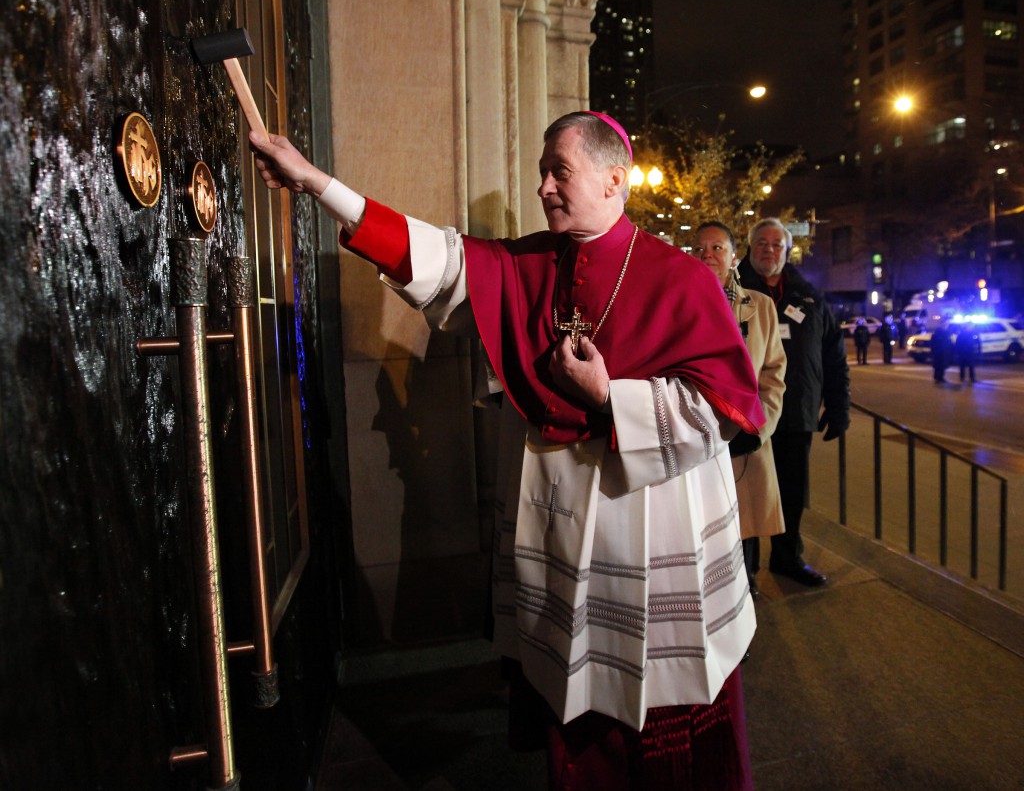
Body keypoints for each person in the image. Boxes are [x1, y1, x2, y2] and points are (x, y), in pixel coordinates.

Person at [249, 112, 765, 790]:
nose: (545, 186)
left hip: (644, 545)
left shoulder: (683, 280)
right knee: (570, 720)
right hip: (558, 543)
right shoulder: (528, 263)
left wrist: (610, 396)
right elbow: (429, 254)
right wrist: (319, 184)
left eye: (561, 171)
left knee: (657, 735)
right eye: (542, 172)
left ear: (616, 179)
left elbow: (727, 410)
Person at [738, 218, 850, 588]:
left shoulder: (811, 298)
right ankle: (745, 571)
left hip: (796, 414)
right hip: (749, 416)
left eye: (777, 245)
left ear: (788, 251)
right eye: (761, 244)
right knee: (749, 494)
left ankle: (788, 558)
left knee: (791, 492)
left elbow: (833, 357)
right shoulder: (733, 293)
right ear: (749, 248)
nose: (769, 250)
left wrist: (838, 407)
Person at [693, 222, 786, 602]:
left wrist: (757, 427)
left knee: (742, 532)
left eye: (718, 248)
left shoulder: (759, 307)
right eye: (701, 249)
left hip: (745, 439)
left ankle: (743, 605)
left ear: (734, 257)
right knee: (702, 532)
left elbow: (774, 375)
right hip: (696, 438)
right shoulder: (681, 300)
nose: (709, 255)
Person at [931, 319, 952, 384]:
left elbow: (949, 341)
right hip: (939, 352)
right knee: (939, 365)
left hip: (943, 352)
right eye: (946, 324)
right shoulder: (939, 332)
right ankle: (938, 378)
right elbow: (934, 341)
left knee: (942, 365)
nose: (947, 325)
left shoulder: (946, 332)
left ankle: (940, 377)